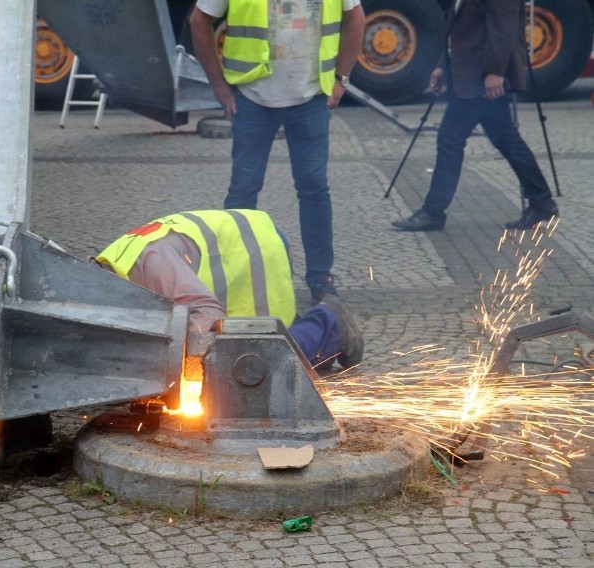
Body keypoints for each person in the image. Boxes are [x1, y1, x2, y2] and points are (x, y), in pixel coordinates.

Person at [189, 0, 365, 303]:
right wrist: (219, 86)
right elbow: (198, 21)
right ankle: (236, 276)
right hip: (252, 97)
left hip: (310, 96)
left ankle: (320, 278)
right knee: (243, 191)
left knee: (314, 189)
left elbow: (356, 19)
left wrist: (341, 79)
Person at [95, 209, 363, 370]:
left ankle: (330, 322)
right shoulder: (112, 270)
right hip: (242, 242)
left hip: (255, 247)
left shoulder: (151, 266)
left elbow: (208, 314)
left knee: (256, 362)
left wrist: (187, 366)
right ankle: (322, 345)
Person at [392, 0, 559, 233]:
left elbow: (503, 28)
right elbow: (458, 28)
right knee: (507, 140)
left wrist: (495, 72)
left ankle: (433, 212)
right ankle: (542, 202)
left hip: (480, 77)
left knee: (450, 139)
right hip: (468, 74)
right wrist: (443, 65)